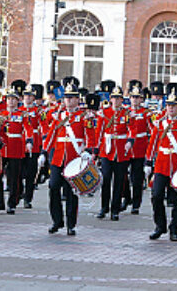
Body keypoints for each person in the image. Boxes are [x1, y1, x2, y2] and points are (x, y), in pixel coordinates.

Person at [40, 84, 95, 236]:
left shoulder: (84, 116)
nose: (68, 101)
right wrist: (44, 152)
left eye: (71, 98)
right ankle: (57, 221)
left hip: (74, 158)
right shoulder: (59, 115)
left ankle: (71, 224)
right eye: (66, 98)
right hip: (58, 157)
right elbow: (51, 134)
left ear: (77, 100)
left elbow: (91, 136)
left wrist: (88, 151)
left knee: (72, 192)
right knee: (53, 187)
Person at [145, 84, 177, 242]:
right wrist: (149, 162)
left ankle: (174, 228)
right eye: (168, 106)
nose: (170, 109)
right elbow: (153, 143)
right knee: (156, 195)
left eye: (173, 106)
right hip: (161, 165)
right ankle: (159, 226)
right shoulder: (160, 123)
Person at [95, 86, 135, 221]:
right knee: (106, 179)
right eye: (114, 98)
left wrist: (130, 141)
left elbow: (132, 129)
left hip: (121, 150)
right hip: (107, 150)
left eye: (118, 98)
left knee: (119, 181)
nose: (116, 101)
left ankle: (115, 209)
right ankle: (104, 207)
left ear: (122, 100)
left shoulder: (126, 113)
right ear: (110, 99)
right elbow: (99, 131)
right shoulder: (104, 112)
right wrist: (96, 149)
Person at [0, 87, 33, 214]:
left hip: (15, 148)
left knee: (14, 178)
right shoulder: (1, 115)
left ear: (18, 101)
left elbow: (28, 129)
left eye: (13, 99)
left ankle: (12, 202)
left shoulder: (22, 115)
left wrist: (29, 141)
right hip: (1, 148)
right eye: (9, 99)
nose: (11, 101)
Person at [120, 85, 152, 214]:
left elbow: (152, 130)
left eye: (137, 97)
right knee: (122, 175)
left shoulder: (146, 113)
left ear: (141, 99)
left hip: (139, 147)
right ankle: (126, 197)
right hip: (125, 147)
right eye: (133, 97)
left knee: (137, 178)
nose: (135, 100)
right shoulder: (125, 112)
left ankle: (136, 203)